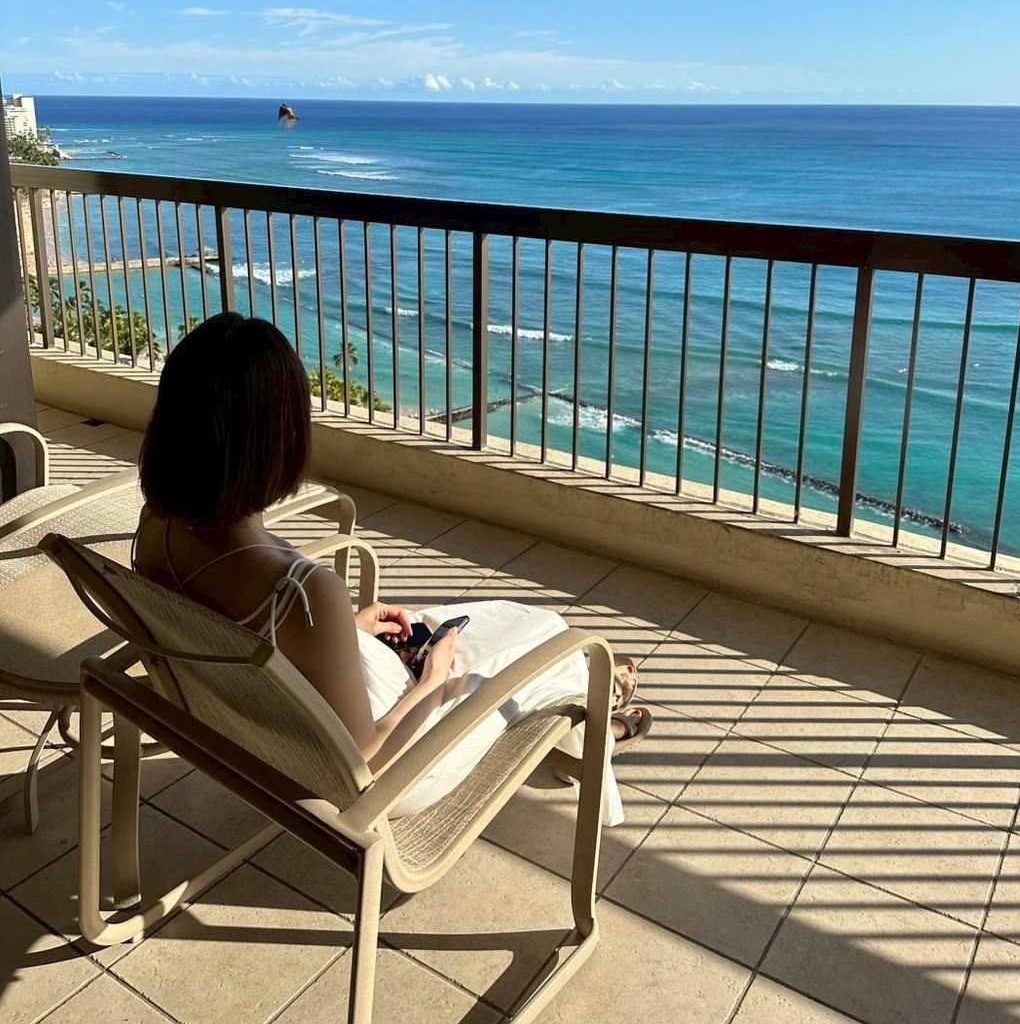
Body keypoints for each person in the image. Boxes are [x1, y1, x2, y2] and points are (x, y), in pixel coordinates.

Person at [132, 314, 650, 821]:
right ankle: (599, 721)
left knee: (472, 631)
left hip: (261, 726)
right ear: (278, 442)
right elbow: (365, 763)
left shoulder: (156, 530)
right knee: (548, 637)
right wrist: (434, 682)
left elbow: (242, 630)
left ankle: (591, 717)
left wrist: (344, 632)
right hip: (392, 772)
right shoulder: (302, 591)